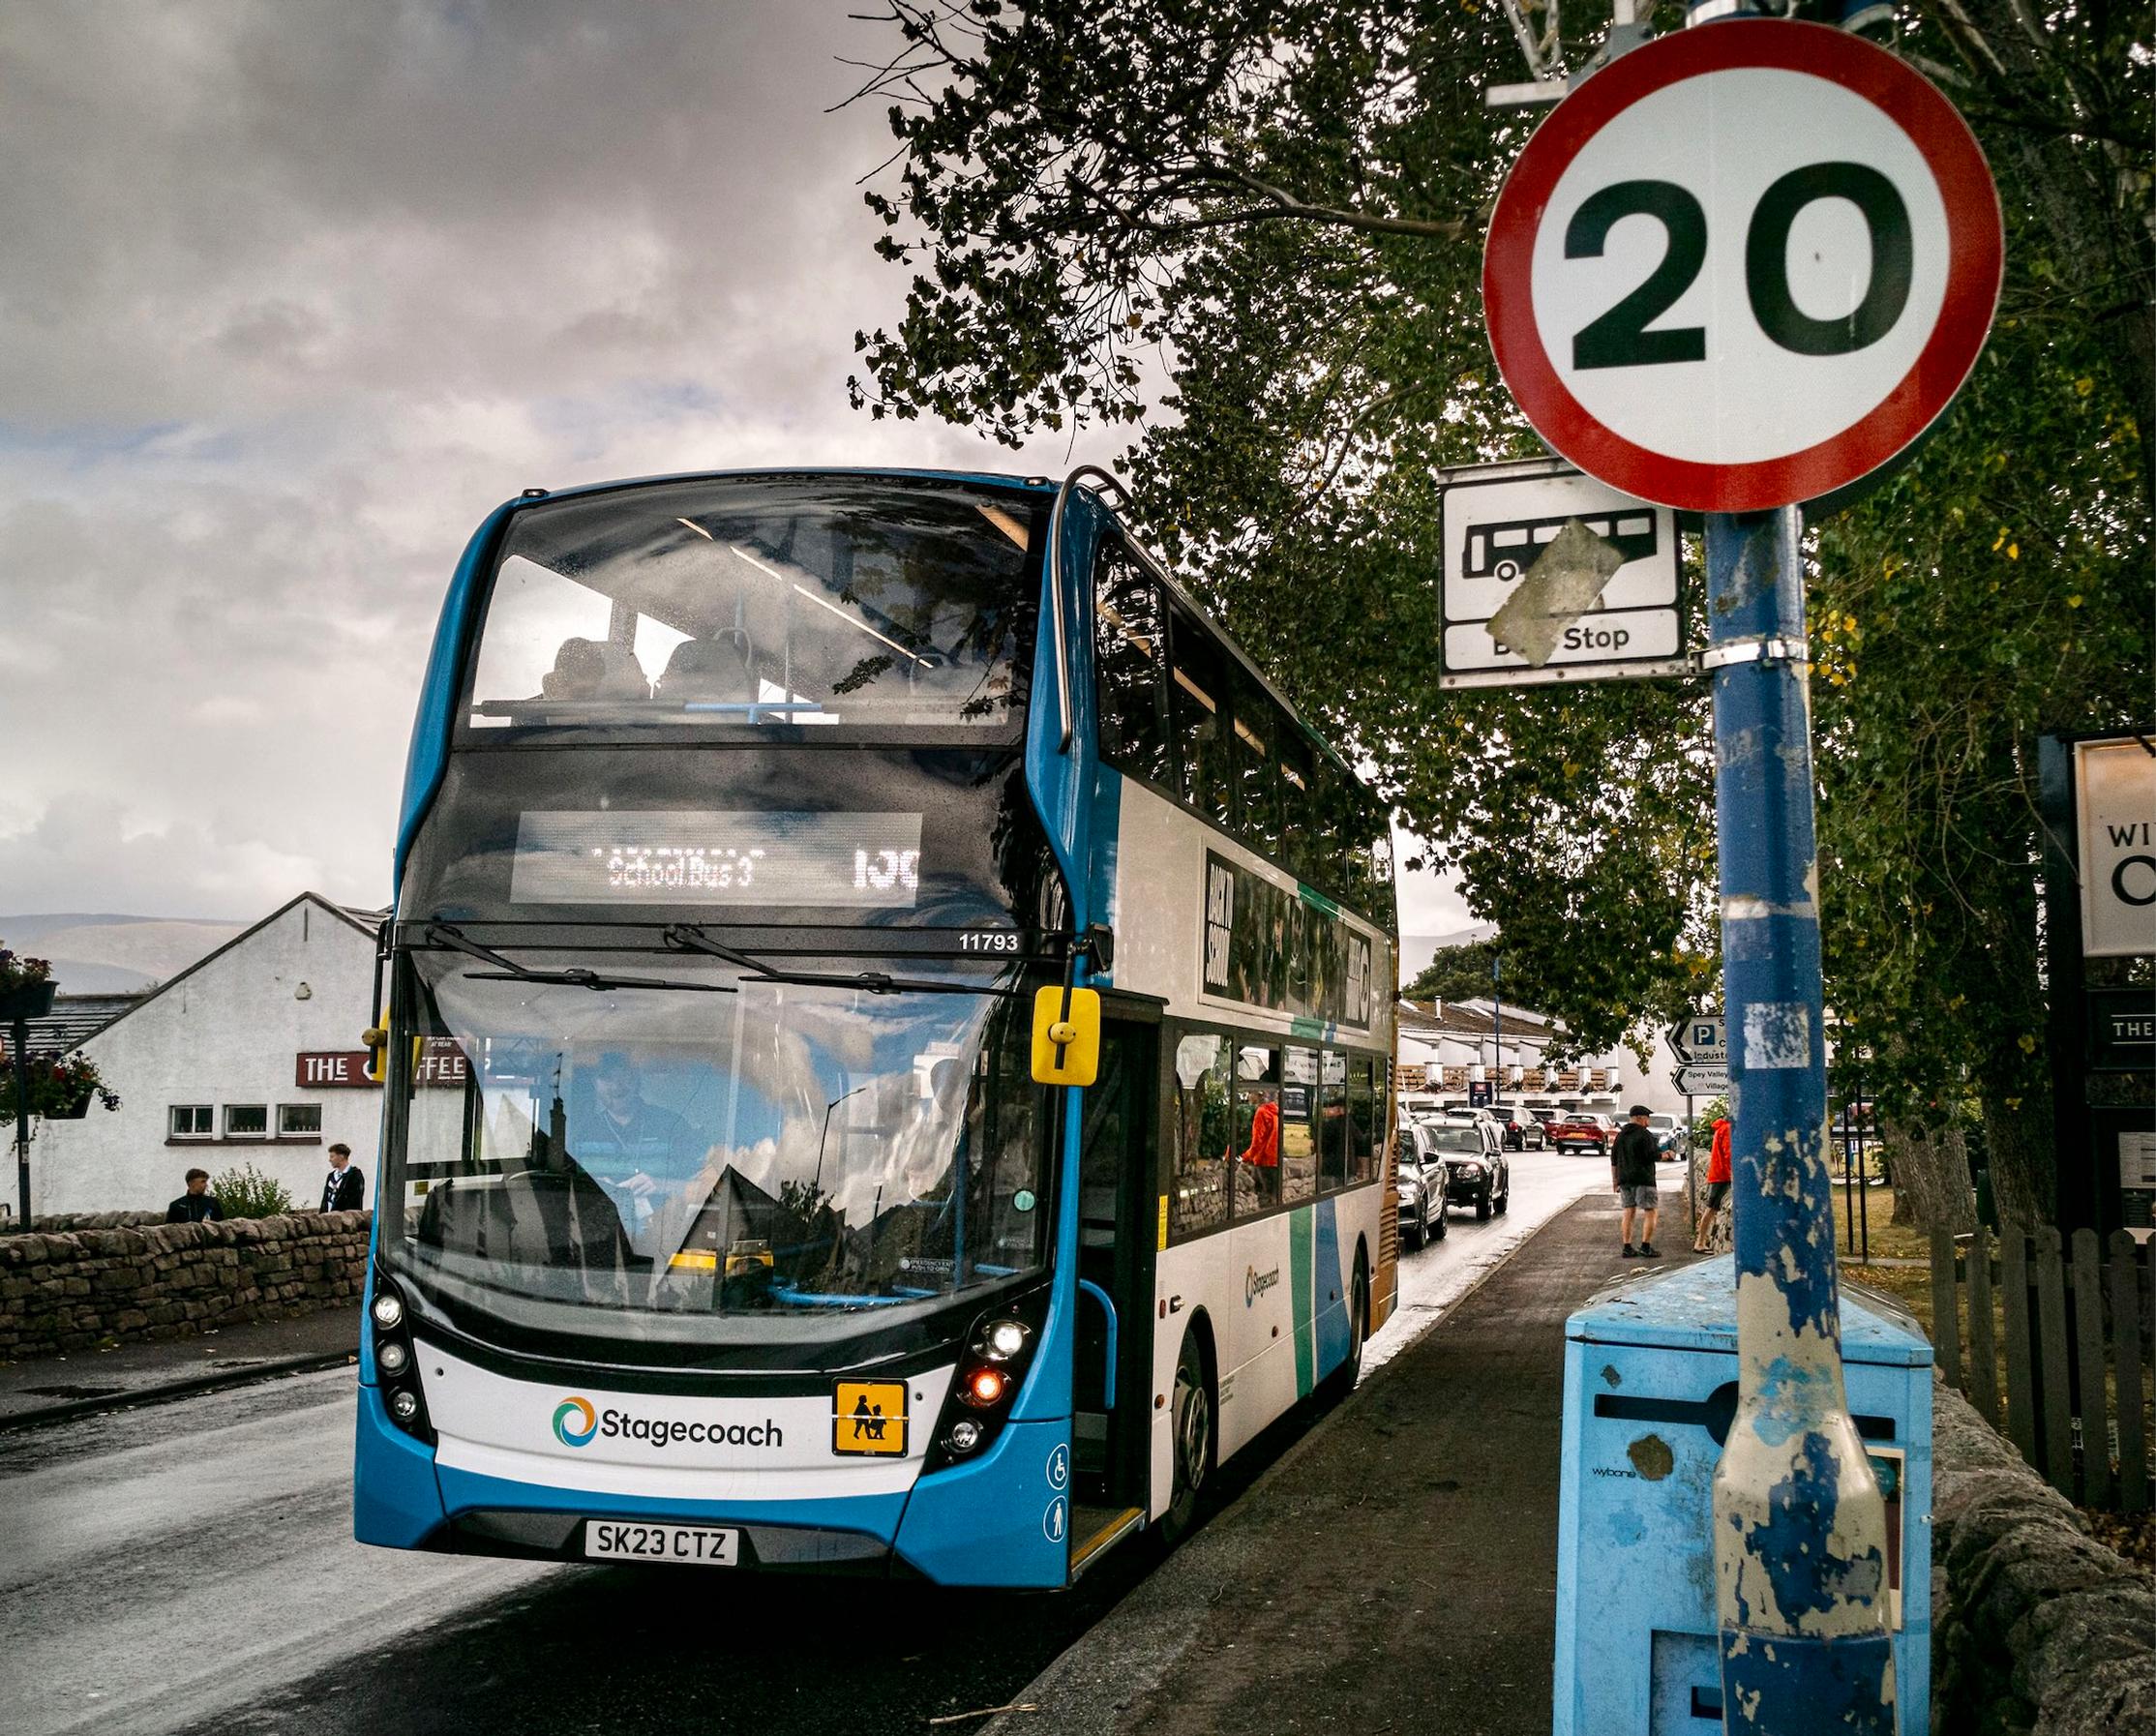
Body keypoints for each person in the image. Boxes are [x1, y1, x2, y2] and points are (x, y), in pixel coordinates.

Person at [1611, 1103, 1662, 1258]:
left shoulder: (1621, 1135)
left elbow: (1614, 1160)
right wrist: (1665, 1155)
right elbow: (1652, 1155)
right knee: (1651, 1211)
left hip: (1624, 1179)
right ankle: (1645, 1246)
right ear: (1639, 1118)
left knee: (1628, 1211)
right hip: (1643, 1179)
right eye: (1647, 1118)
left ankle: (1627, 1247)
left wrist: (1615, 1181)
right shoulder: (1645, 1135)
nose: (1648, 1122)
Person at [1694, 1116, 1733, 1253]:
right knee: (1710, 1209)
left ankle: (1701, 1241)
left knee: (1711, 1209)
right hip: (1722, 1175)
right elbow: (1729, 1154)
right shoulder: (1727, 1129)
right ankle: (1699, 1243)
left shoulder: (1720, 1128)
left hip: (1717, 1173)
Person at [320, 1142, 366, 1212]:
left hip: (345, 1217)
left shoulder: (355, 1175)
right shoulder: (331, 1176)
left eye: (332, 1156)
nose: (330, 1160)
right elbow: (325, 1199)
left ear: (341, 1157)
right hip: (328, 1217)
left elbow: (354, 1201)